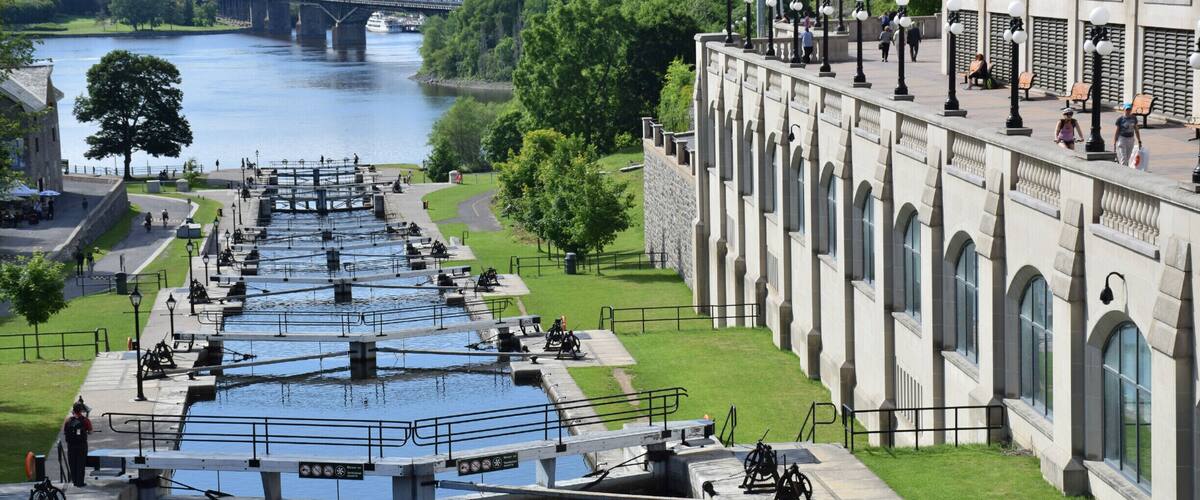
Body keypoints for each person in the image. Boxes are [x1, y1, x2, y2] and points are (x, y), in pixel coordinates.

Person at [63, 400, 93, 487]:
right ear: (81, 411)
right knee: (81, 463)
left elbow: (65, 432)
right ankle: (80, 482)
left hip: (71, 445)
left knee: (72, 463)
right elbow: (90, 431)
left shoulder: (68, 421)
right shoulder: (85, 420)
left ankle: (74, 481)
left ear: (74, 410)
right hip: (81, 445)